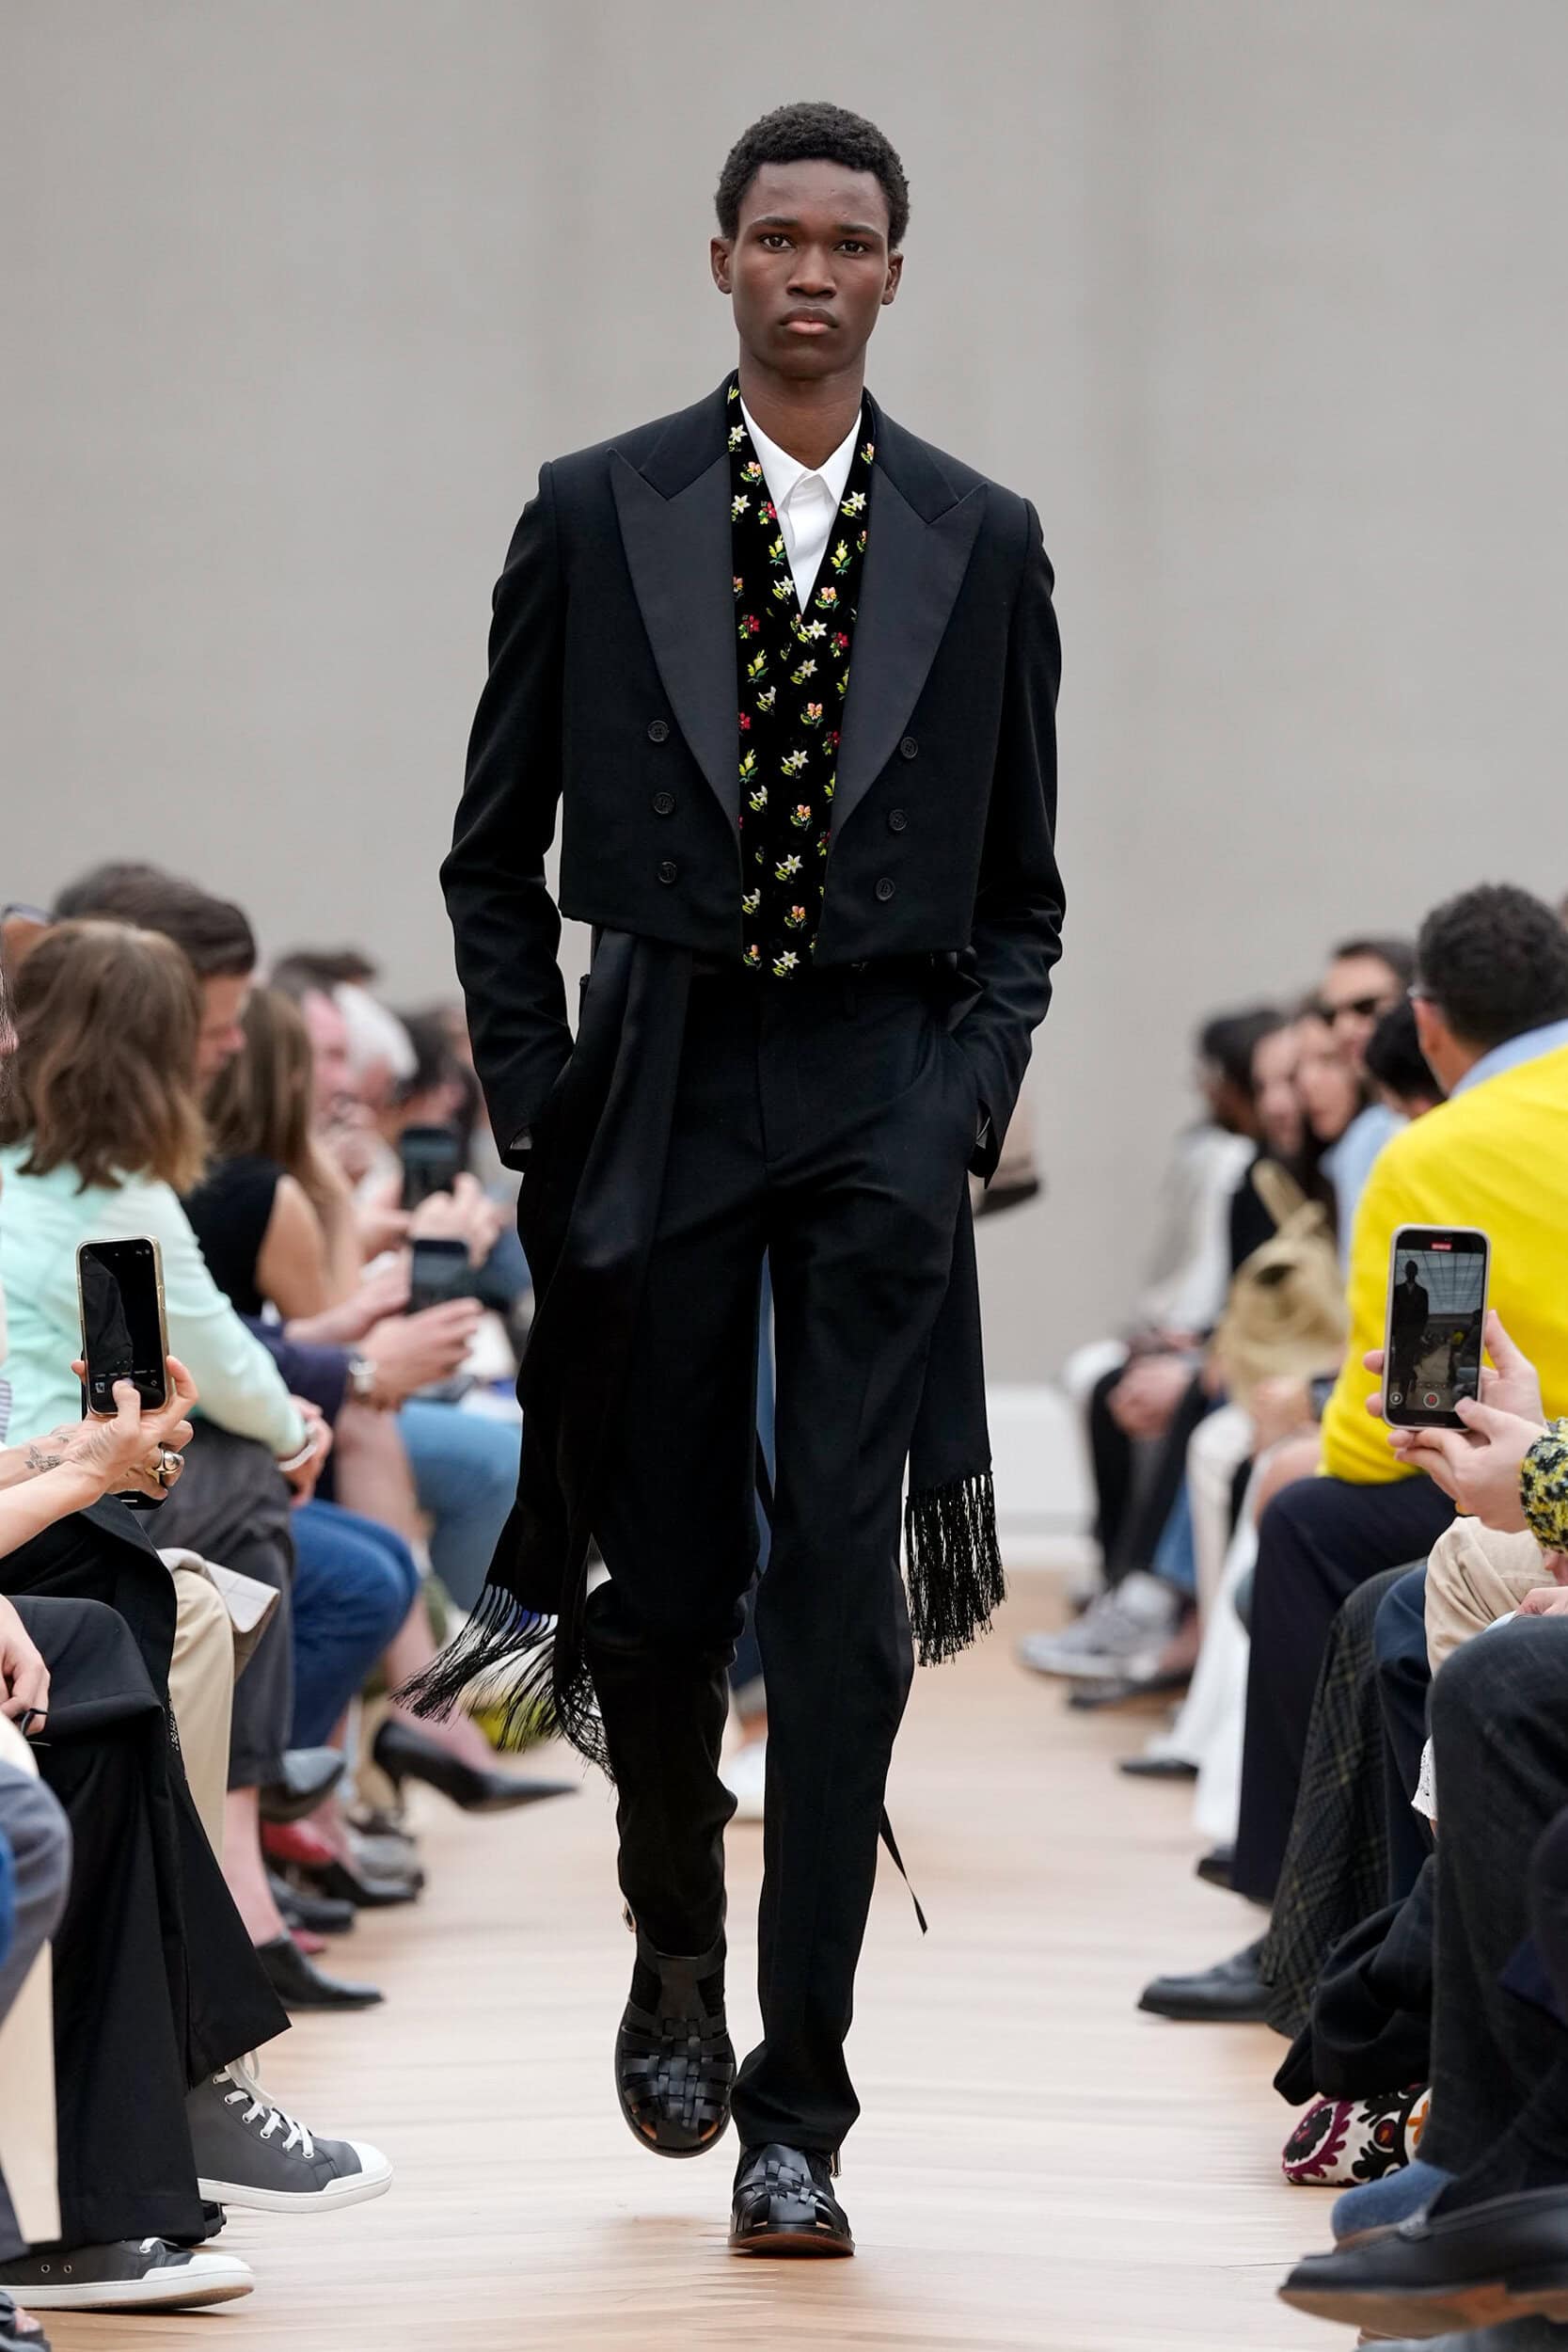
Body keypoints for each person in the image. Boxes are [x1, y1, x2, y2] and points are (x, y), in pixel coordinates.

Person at [417, 100, 1063, 2257]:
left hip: (879, 1084)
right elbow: (490, 855)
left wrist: (959, 1098)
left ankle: (803, 2106)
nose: (808, 270)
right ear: (719, 261)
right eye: (774, 236)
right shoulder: (592, 510)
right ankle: (674, 1950)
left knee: (841, 1604)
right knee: (667, 1576)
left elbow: (1022, 894)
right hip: (663, 1080)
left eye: (844, 241)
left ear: (891, 272)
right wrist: (540, 1102)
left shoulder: (984, 538)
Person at [1142, 882, 1568, 2020]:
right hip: (1546, 1470)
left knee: (1304, 1521)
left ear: (1425, 1021)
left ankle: (1290, 1920)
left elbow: (1377, 1435)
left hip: (1520, 1472)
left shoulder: (1432, 1150)